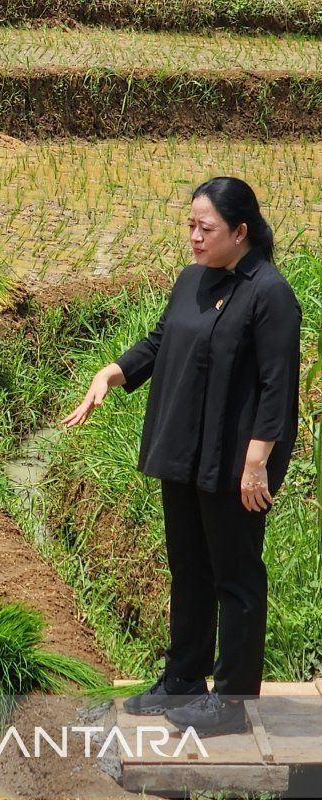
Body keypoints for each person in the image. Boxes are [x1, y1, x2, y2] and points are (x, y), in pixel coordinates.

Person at [64, 177, 300, 736]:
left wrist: (256, 463)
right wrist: (114, 372)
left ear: (240, 232)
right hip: (186, 452)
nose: (193, 237)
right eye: (190, 225)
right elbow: (161, 340)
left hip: (237, 463)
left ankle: (233, 703)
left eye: (206, 228)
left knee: (236, 578)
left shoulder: (270, 293)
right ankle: (184, 679)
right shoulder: (192, 280)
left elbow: (277, 386)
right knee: (188, 567)